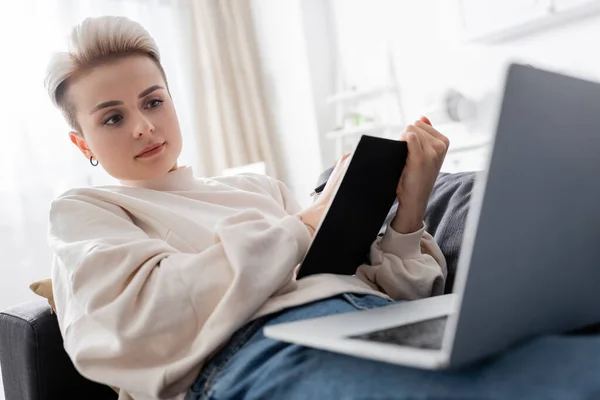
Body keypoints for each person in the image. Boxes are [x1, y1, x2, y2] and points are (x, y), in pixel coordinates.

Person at [45, 16, 600, 400]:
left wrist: (409, 211)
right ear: (82, 143)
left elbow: (397, 290)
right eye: (112, 118)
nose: (144, 126)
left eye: (153, 101)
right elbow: (137, 322)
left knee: (580, 365)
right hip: (255, 355)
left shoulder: (258, 194)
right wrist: (304, 223)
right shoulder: (84, 213)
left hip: (379, 323)